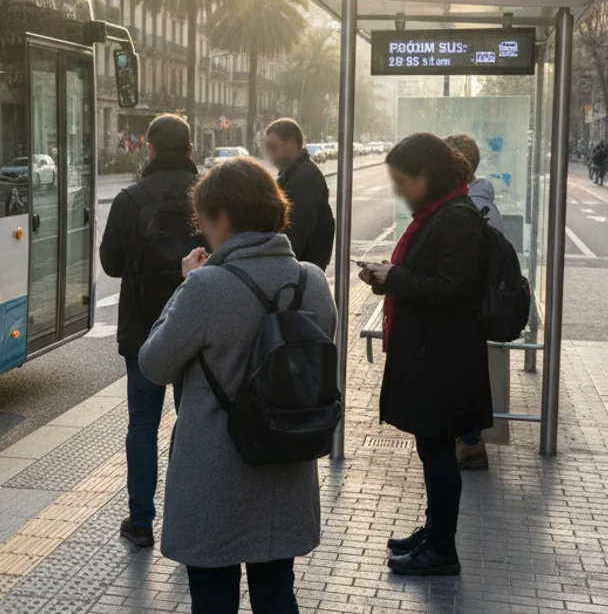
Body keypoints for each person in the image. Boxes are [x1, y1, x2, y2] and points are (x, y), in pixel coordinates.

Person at [139, 157, 336, 614]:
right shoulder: (313, 280)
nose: (202, 229)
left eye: (203, 218)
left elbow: (154, 363)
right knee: (276, 594)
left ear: (222, 217)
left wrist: (185, 285)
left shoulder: (207, 287)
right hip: (286, 462)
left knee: (212, 601)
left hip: (215, 471)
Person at [361, 132, 492, 577]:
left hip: (445, 361)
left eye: (404, 180)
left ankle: (441, 548)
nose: (399, 190)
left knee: (438, 454)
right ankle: (435, 531)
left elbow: (454, 289)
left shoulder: (455, 218)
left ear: (427, 175)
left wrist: (394, 277)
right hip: (435, 355)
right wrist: (390, 276)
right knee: (431, 451)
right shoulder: (439, 213)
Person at [100, 113, 200, 547]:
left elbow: (111, 264)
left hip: (143, 331)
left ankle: (140, 521)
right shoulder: (211, 195)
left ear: (150, 150)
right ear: (192, 151)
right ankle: (186, 512)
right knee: (192, 421)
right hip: (197, 328)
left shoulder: (130, 199)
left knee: (142, 425)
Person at [443, 133, 501, 471]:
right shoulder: (482, 203)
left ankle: (470, 443)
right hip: (471, 307)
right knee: (467, 376)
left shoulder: (468, 207)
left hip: (462, 308)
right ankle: (468, 440)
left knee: (461, 377)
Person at [264, 118, 335, 271]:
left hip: (301, 268)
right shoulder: (294, 173)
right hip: (302, 266)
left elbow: (296, 230)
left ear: (291, 143)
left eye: (273, 147)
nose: (270, 155)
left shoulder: (304, 177)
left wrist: (280, 269)